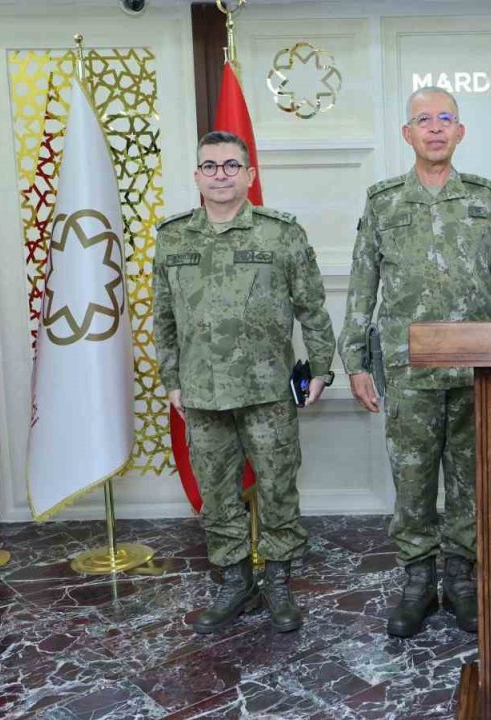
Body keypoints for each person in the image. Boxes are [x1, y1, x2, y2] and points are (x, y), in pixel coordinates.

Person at [339, 87, 491, 638]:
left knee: (469, 480)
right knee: (413, 480)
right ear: (408, 134)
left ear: (460, 132)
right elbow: (361, 286)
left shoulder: (485, 200)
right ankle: (418, 582)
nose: (436, 128)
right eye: (424, 119)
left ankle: (461, 579)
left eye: (446, 119)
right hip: (408, 369)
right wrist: (355, 362)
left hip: (475, 371)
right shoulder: (383, 202)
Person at [153, 130, 336, 635]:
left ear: (250, 175)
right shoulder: (173, 237)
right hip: (202, 392)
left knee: (278, 489)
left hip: (268, 390)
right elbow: (163, 316)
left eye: (231, 166)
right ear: (196, 176)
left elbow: (312, 307)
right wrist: (171, 379)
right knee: (218, 494)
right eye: (209, 166)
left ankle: (277, 582)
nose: (220, 175)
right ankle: (235, 582)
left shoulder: (280, 234)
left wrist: (320, 367)